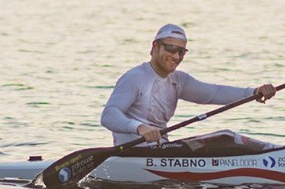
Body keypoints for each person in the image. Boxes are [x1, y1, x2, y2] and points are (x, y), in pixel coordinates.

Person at [101, 24, 276, 145]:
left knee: (224, 138)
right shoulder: (135, 78)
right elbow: (108, 115)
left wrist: (254, 92)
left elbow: (215, 93)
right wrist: (139, 128)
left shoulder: (179, 80)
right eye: (170, 48)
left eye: (181, 51)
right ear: (155, 47)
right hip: (131, 155)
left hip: (161, 151)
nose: (176, 57)